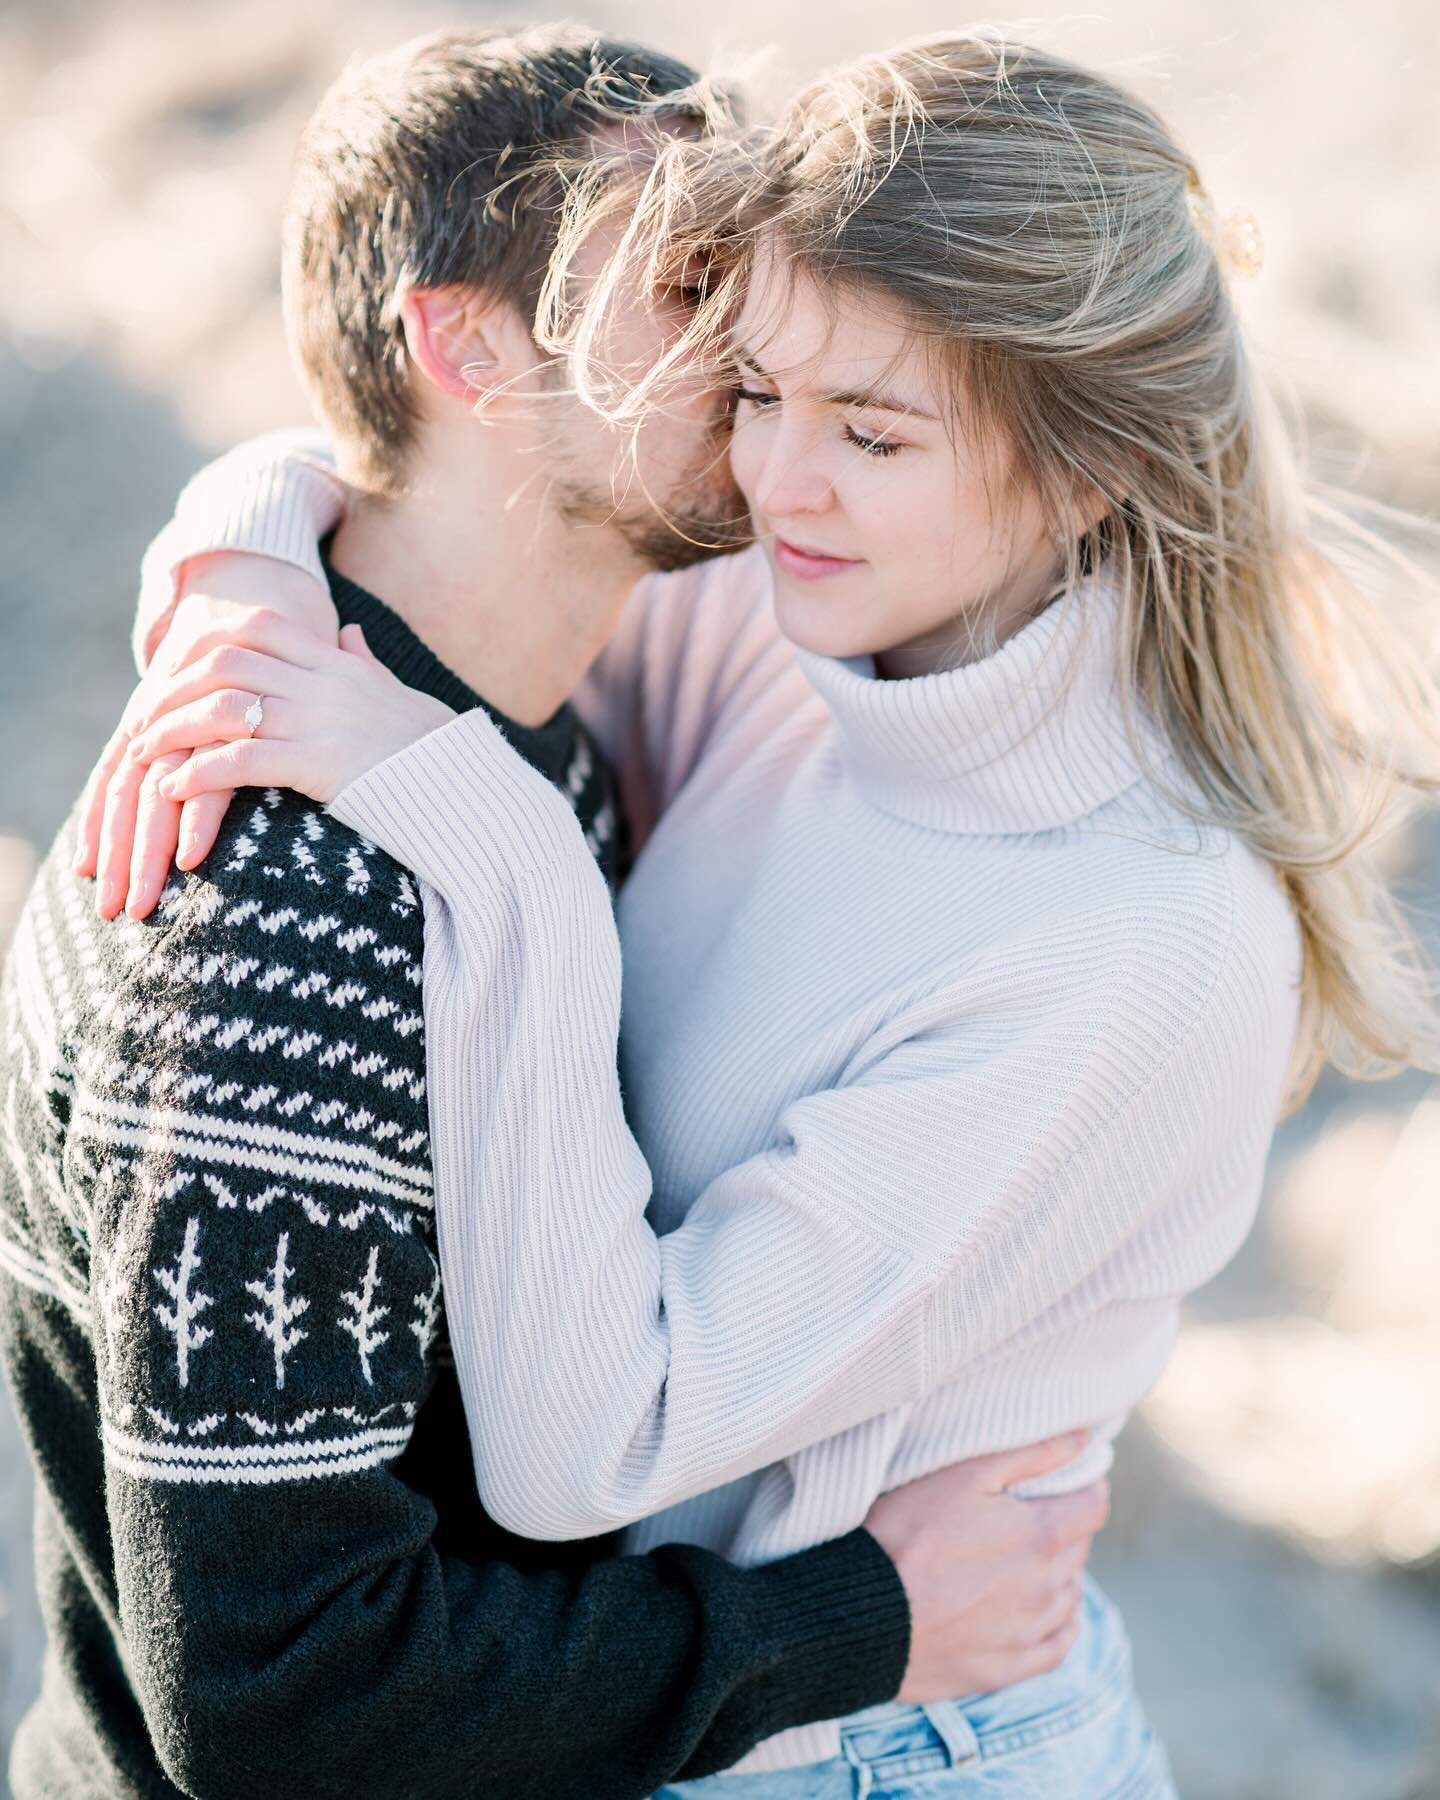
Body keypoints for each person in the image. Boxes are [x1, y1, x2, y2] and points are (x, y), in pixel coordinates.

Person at [91, 25, 1440, 1797]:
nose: (772, 483)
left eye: (872, 431)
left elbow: (596, 1446)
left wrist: (507, 860)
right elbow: (441, 497)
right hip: (679, 1702)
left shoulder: (1136, 942)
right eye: (755, 389)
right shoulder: (824, 623)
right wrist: (240, 560)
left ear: (1095, 468)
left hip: (887, 1751)